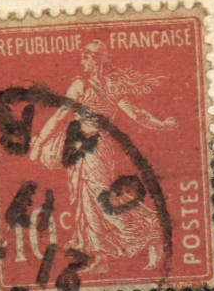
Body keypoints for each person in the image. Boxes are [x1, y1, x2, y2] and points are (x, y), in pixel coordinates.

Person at [30, 40, 177, 275]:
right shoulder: (103, 85)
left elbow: (60, 116)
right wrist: (160, 125)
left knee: (99, 198)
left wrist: (39, 143)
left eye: (87, 58)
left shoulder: (85, 86)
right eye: (83, 58)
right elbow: (135, 114)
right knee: (88, 201)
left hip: (93, 148)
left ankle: (151, 229)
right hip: (85, 147)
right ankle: (101, 257)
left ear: (96, 59)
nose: (83, 62)